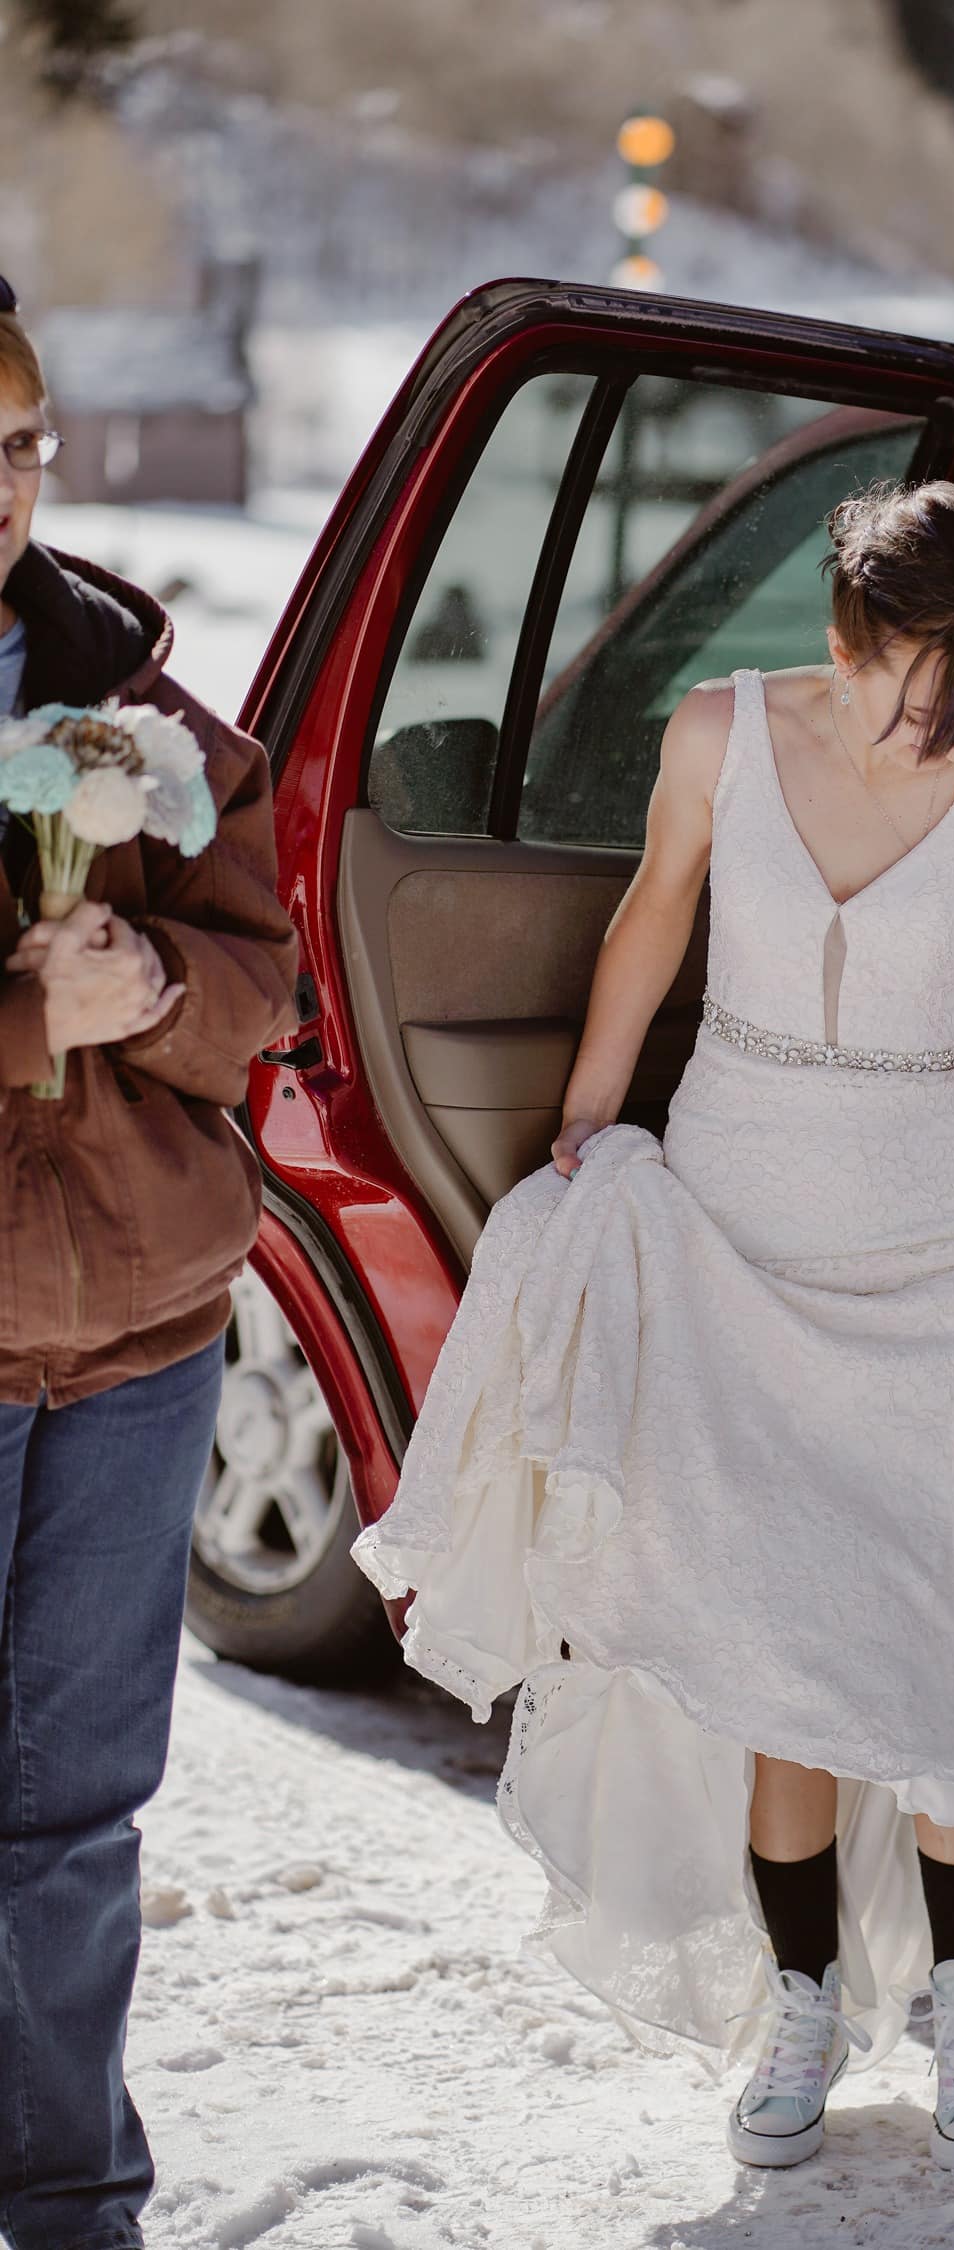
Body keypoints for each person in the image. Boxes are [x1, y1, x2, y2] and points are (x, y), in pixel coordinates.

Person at [353, 478, 954, 2175]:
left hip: (942, 1239)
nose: (931, 719)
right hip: (741, 1221)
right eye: (908, 675)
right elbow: (654, 915)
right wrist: (591, 1114)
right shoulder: (715, 731)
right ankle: (803, 2004)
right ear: (842, 634)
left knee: (948, 1630)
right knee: (783, 1652)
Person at [0, 282, 300, 2250]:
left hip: (137, 1340)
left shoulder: (130, 699)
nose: (3, 491)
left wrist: (162, 980)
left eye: (18, 446)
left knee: (74, 1819)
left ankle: (72, 2204)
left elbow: (268, 977)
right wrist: (29, 1014)